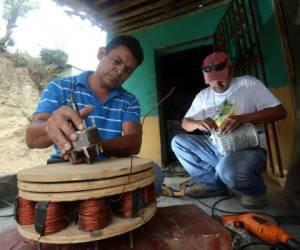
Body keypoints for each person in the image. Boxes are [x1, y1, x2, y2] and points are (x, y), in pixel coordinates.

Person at [25, 35, 163, 196]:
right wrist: (49, 127)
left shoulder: (129, 100)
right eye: (117, 61)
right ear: (101, 53)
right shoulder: (60, 87)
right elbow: (31, 139)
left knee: (156, 174)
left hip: (111, 164)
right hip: (68, 164)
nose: (119, 71)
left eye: (127, 70)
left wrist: (93, 147)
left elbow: (134, 142)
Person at [171, 51, 287, 209]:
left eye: (221, 81)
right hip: (216, 147)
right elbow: (185, 123)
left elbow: (280, 111)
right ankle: (215, 185)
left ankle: (255, 190)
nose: (216, 86)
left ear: (231, 70)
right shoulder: (203, 96)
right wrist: (198, 123)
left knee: (229, 171)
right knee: (178, 142)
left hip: (248, 149)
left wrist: (243, 118)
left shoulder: (248, 84)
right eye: (212, 82)